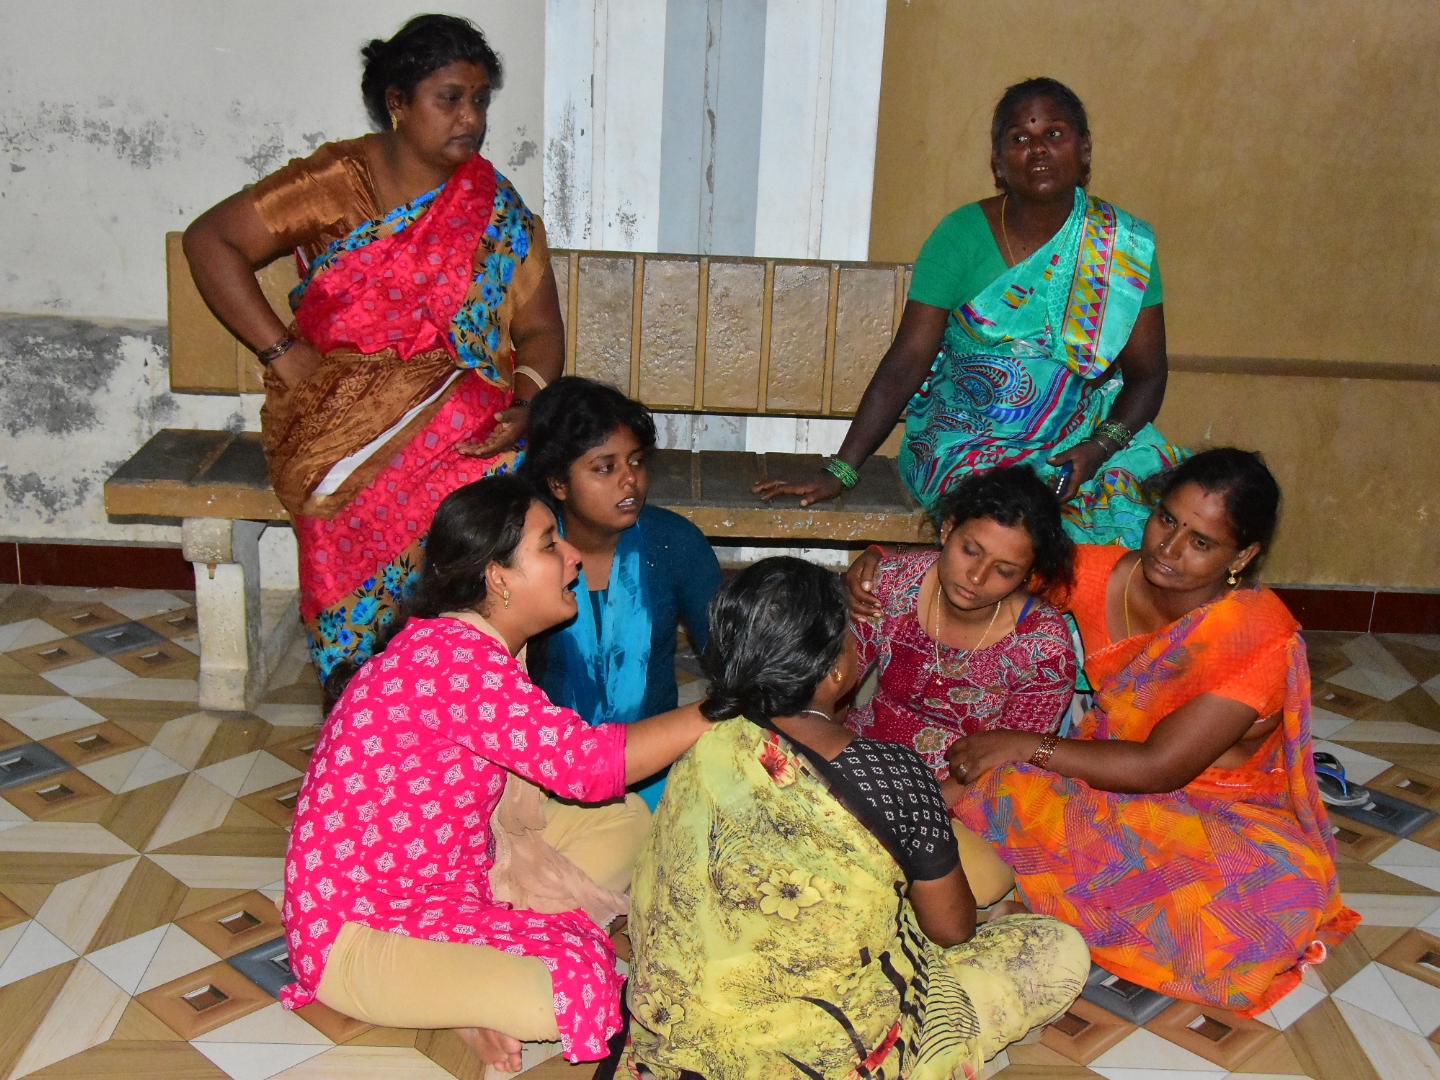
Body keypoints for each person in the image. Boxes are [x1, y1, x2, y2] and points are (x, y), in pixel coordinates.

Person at [849, 449, 1360, 1016]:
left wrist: (1027, 745)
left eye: (1201, 542)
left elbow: (1159, 767)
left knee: (1260, 914)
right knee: (996, 784)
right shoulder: (1102, 575)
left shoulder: (1253, 640)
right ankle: (1033, 897)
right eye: (1167, 519)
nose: (1168, 550)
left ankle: (1034, 898)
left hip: (1214, 812)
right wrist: (874, 561)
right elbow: (993, 556)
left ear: (1242, 554)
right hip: (1100, 777)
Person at [278, 475, 712, 1072]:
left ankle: (472, 972)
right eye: (548, 545)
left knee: (628, 820)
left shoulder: (468, 642)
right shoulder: (454, 659)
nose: (573, 557)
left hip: (462, 874)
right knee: (556, 1000)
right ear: (498, 577)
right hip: (356, 932)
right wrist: (718, 710)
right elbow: (585, 765)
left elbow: (570, 767)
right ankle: (465, 996)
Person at [182, 15, 564, 687]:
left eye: (479, 100)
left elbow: (539, 331)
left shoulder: (494, 206)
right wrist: (281, 352)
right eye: (450, 98)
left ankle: (461, 679)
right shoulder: (337, 181)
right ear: (397, 101)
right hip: (336, 411)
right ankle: (360, 686)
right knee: (340, 486)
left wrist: (529, 403)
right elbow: (210, 241)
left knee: (502, 471)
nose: (469, 118)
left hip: (459, 409)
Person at [622, 557, 1089, 1080]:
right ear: (836, 668)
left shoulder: (703, 733)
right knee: (1053, 948)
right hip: (824, 1053)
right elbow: (953, 930)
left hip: (681, 1028)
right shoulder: (890, 774)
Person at [755, 77, 1185, 547]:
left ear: (1084, 149)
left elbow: (1148, 375)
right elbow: (907, 360)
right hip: (965, 436)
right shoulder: (960, 235)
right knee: (1010, 526)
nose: (1038, 150)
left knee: (1154, 518)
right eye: (1020, 138)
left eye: (1055, 134)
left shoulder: (1122, 247)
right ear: (998, 162)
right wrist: (841, 469)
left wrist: (1098, 450)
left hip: (1082, 437)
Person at [519, 377, 722, 809]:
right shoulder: (528, 555)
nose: (630, 480)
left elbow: (728, 657)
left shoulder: (674, 543)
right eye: (605, 467)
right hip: (546, 771)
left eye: (636, 462)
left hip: (656, 767)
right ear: (558, 483)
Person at [850, 466, 1076, 776]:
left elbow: (1005, 766)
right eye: (970, 551)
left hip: (963, 791)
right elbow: (834, 683)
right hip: (861, 752)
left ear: (1029, 575)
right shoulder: (894, 583)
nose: (976, 576)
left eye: (1005, 571)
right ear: (948, 529)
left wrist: (920, 814)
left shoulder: (1043, 652)